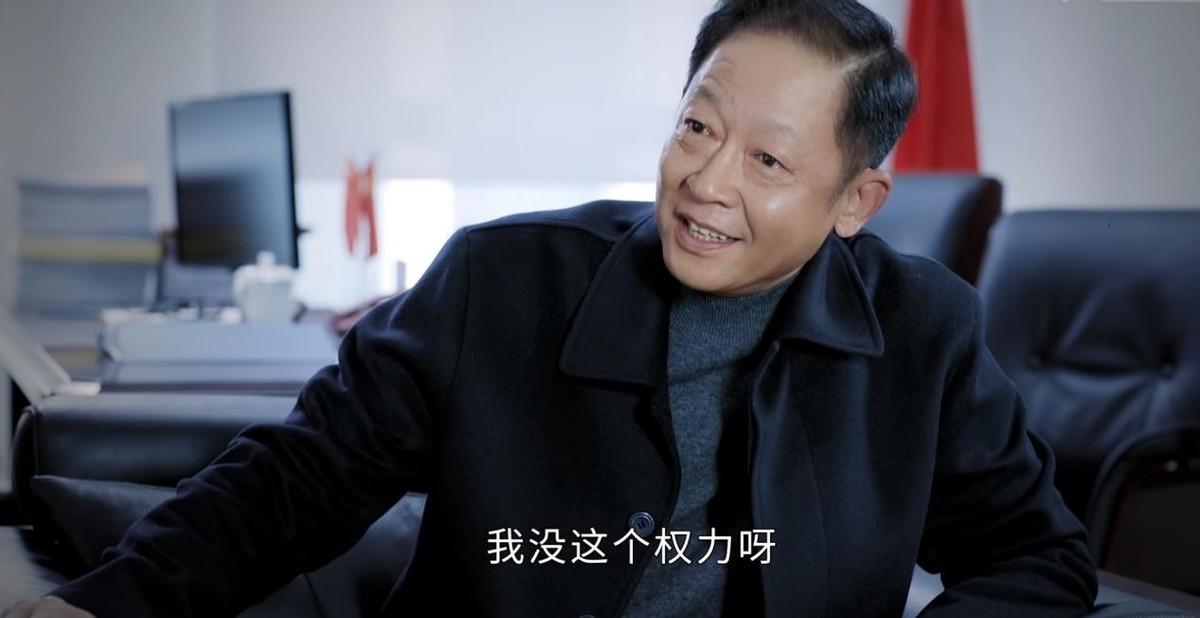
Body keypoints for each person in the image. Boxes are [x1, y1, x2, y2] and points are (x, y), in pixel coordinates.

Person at [4, 0, 1098, 616]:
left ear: (855, 201)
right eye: (697, 126)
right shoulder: (501, 279)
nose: (706, 181)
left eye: (767, 160)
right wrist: (99, 606)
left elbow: (1036, 556)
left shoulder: (924, 329)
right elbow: (296, 481)